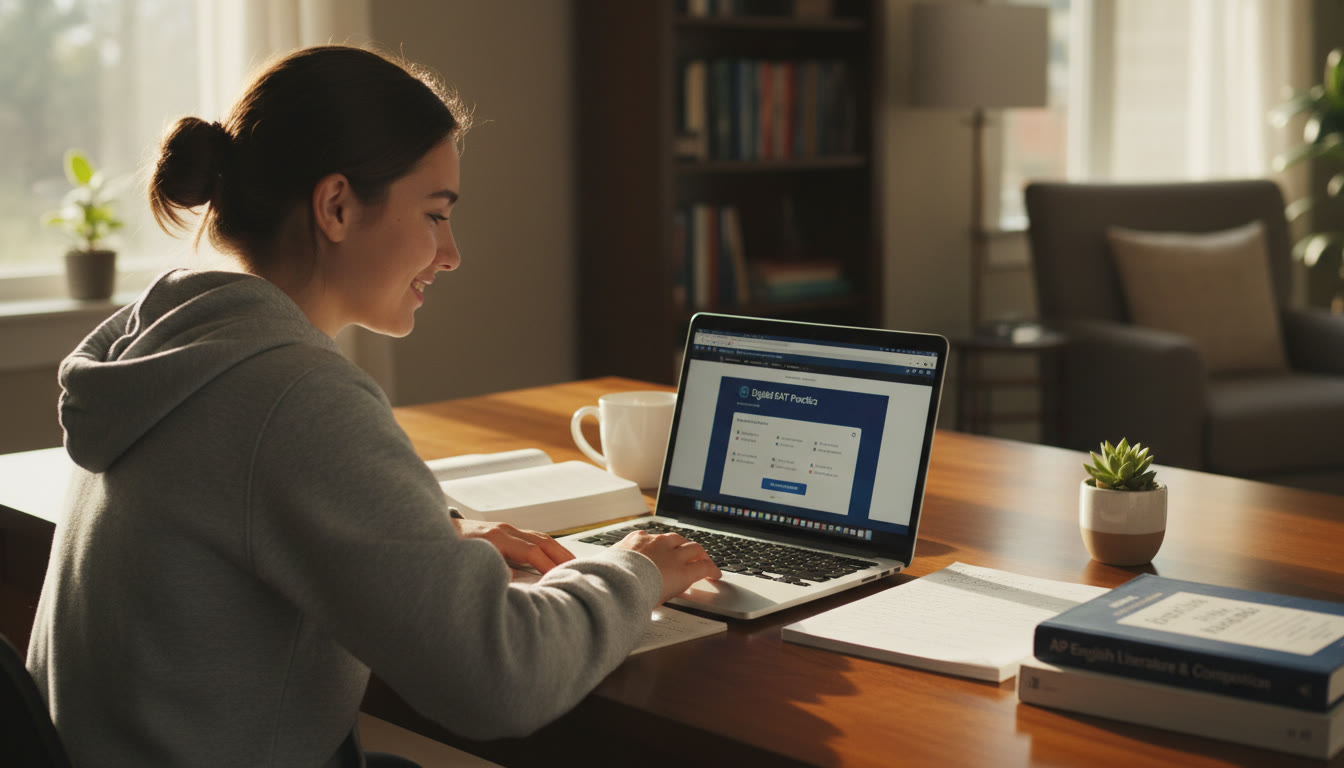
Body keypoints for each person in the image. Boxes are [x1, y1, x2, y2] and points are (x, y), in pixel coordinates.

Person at [25, 44, 721, 768]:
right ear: (336, 206)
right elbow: (501, 680)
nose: (450, 254)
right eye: (434, 214)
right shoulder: (293, 395)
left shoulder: (174, 345)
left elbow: (253, 513)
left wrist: (432, 536)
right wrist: (632, 568)